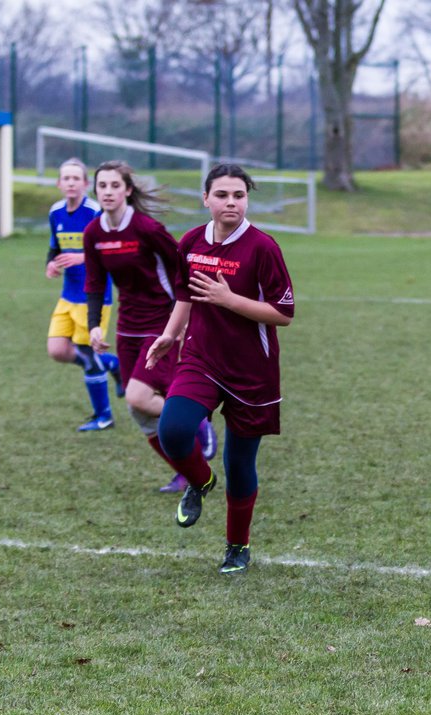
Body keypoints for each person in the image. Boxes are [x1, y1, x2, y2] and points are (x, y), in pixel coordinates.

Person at [146, 164, 295, 575]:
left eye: (239, 195)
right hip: (200, 357)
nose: (232, 202)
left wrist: (230, 300)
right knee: (173, 431)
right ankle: (199, 480)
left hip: (253, 370)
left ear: (247, 200)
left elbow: (283, 314)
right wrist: (170, 334)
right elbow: (185, 295)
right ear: (206, 199)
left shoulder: (263, 247)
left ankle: (237, 546)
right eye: (223, 195)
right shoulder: (191, 241)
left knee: (239, 465)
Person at [83, 160, 217, 493]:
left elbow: (182, 268)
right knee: (140, 413)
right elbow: (96, 283)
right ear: (96, 190)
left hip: (161, 323)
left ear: (128, 190)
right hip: (127, 326)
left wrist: (186, 320)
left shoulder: (146, 229)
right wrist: (95, 326)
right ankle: (190, 473)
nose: (109, 192)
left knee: (139, 396)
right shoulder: (94, 233)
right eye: (102, 186)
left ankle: (198, 423)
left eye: (115, 185)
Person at [45, 158, 123, 431]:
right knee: (57, 350)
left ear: (86, 184)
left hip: (94, 295)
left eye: (76, 178)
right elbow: (55, 247)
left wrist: (81, 257)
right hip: (68, 295)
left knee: (88, 354)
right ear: (59, 183)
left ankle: (104, 416)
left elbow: (109, 249)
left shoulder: (94, 212)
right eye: (65, 178)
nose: (70, 183)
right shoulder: (56, 212)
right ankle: (114, 365)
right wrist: (51, 264)